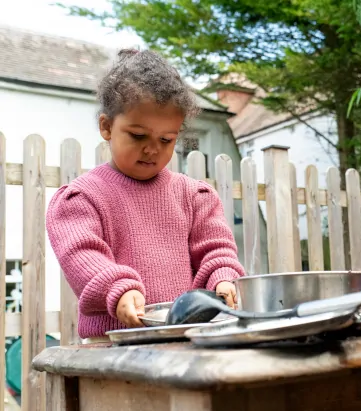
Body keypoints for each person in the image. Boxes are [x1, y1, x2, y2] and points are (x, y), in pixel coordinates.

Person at [46, 49, 246, 340]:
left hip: (186, 339)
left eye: (166, 139)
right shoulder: (81, 199)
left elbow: (216, 251)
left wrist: (224, 278)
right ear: (106, 127)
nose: (152, 149)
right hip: (112, 345)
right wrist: (119, 289)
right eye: (138, 136)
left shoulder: (195, 196)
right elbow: (83, 256)